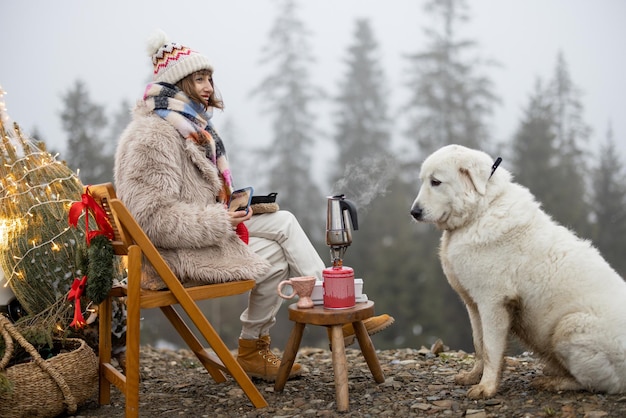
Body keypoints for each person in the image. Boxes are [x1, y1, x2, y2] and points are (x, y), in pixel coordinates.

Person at [113, 30, 394, 382]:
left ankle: (327, 311)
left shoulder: (187, 126)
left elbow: (191, 197)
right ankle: (263, 343)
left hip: (201, 231)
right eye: (199, 78)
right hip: (171, 253)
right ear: (178, 82)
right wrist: (219, 219)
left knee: (285, 222)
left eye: (210, 78)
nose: (209, 87)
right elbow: (150, 218)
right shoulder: (153, 136)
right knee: (273, 259)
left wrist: (236, 209)